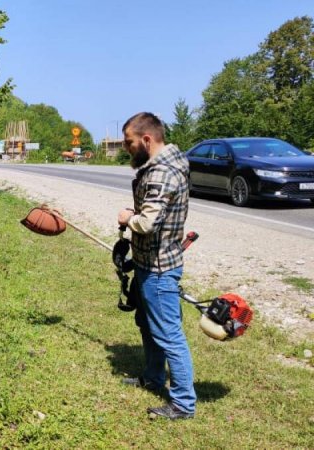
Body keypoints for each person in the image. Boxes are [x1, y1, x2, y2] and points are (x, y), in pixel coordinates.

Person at [116, 112, 196, 420]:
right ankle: (152, 376)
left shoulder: (162, 173)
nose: (126, 148)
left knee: (168, 334)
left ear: (147, 140)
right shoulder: (166, 163)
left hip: (160, 269)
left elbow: (148, 223)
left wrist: (127, 218)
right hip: (149, 262)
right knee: (149, 326)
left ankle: (183, 404)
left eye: (129, 142)